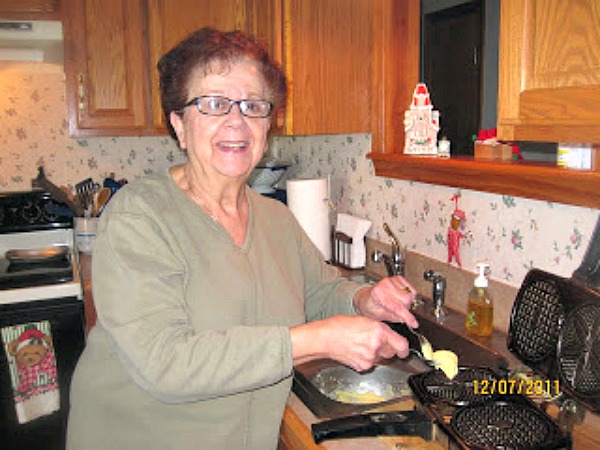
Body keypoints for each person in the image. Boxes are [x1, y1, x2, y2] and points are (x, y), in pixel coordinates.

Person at [66, 27, 419, 450]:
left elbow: (317, 290)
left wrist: (362, 301)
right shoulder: (139, 217)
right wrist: (317, 339)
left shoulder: (275, 218)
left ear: (269, 124)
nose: (237, 122)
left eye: (253, 106)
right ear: (179, 124)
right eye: (214, 104)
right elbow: (165, 362)